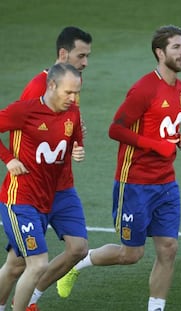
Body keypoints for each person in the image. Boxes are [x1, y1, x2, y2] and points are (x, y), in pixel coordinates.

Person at [57, 25, 181, 311]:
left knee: (168, 249)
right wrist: (158, 146)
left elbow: (162, 131)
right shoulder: (145, 88)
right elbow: (116, 130)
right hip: (135, 184)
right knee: (132, 254)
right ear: (160, 52)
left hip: (166, 183)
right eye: (176, 47)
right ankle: (78, 264)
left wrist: (178, 140)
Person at [0, 26, 92, 311]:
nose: (86, 62)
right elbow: (19, 129)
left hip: (58, 189)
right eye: (81, 55)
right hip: (26, 193)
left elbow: (73, 131)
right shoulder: (34, 96)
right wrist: (9, 158)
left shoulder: (71, 101)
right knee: (26, 264)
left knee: (32, 261)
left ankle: (29, 298)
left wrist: (77, 144)